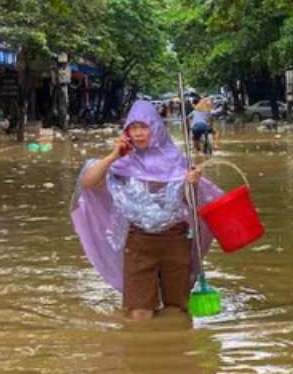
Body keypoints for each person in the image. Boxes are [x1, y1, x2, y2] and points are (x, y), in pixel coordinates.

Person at [73, 101, 222, 320]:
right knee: (139, 313)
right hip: (139, 242)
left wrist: (192, 184)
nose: (139, 133)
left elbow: (190, 204)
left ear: (156, 128)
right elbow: (88, 184)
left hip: (176, 241)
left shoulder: (178, 160)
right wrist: (114, 155)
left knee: (176, 311)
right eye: (133, 128)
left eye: (144, 127)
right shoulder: (124, 163)